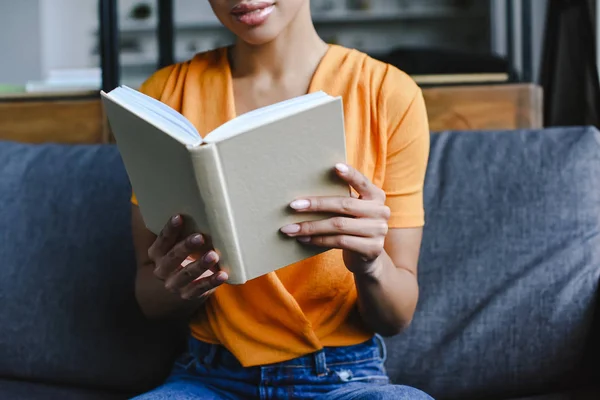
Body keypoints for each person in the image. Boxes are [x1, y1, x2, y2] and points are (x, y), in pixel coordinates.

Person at [130, 1, 432, 399]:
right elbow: (149, 297)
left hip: (344, 380)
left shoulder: (387, 94)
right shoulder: (164, 97)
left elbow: (397, 316)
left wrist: (372, 264)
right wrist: (184, 283)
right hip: (207, 377)